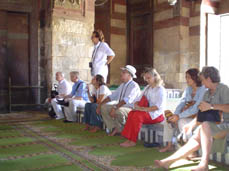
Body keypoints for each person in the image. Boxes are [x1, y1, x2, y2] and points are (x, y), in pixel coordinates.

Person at [155, 66, 229, 171]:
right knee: (197, 135)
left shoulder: (224, 89)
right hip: (214, 125)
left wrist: (212, 106)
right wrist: (191, 125)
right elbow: (202, 113)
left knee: (205, 126)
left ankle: (204, 164)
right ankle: (168, 161)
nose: (202, 83)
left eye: (203, 80)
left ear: (208, 79)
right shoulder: (208, 93)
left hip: (226, 125)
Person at [160, 68, 207, 152]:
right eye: (186, 77)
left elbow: (196, 108)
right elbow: (181, 103)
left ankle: (190, 150)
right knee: (167, 120)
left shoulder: (203, 89)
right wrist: (175, 115)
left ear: (195, 78)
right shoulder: (188, 89)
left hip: (198, 118)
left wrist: (179, 116)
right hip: (187, 115)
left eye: (189, 77)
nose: (186, 79)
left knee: (182, 122)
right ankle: (169, 145)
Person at [120, 67, 166, 147]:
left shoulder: (160, 89)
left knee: (138, 116)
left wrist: (143, 109)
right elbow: (138, 99)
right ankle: (128, 138)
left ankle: (133, 141)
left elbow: (158, 107)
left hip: (157, 115)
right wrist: (137, 105)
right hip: (147, 112)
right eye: (146, 78)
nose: (147, 80)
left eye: (149, 78)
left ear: (155, 77)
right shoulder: (147, 88)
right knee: (131, 113)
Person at [96, 65, 141, 136]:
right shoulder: (122, 85)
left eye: (123, 72)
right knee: (104, 107)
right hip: (120, 106)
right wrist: (100, 105)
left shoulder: (134, 86)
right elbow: (111, 97)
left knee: (118, 111)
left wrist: (115, 108)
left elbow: (126, 100)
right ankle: (114, 128)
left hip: (130, 108)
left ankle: (123, 129)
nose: (121, 74)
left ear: (129, 75)